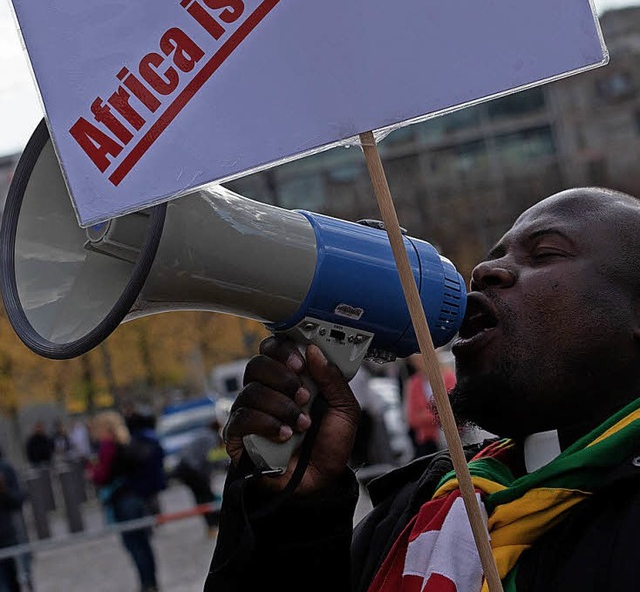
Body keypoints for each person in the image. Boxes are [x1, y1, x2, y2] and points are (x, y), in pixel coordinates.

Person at [206, 187, 640, 591]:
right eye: (496, 255)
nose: (485, 271)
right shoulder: (421, 506)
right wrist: (293, 513)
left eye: (545, 253)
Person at [89, 411, 161, 592]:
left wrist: (92, 471)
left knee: (134, 544)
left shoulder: (107, 446)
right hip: (135, 497)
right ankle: (151, 581)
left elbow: (102, 475)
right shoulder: (125, 442)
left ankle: (146, 584)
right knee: (143, 543)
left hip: (122, 499)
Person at [171, 419, 225, 537]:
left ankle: (212, 526)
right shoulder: (210, 438)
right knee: (205, 498)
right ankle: (213, 525)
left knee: (202, 498)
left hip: (185, 469)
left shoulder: (203, 434)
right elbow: (209, 457)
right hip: (191, 470)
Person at [403, 352, 456, 458]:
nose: (419, 364)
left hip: (451, 437)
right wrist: (438, 414)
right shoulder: (414, 383)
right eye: (415, 361)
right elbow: (412, 419)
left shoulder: (449, 378)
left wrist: (424, 414)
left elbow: (453, 411)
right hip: (426, 440)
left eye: (422, 359)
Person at [0, 446, 26, 592]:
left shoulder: (5, 468)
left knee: (11, 583)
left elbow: (19, 500)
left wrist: (4, 491)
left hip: (7, 539)